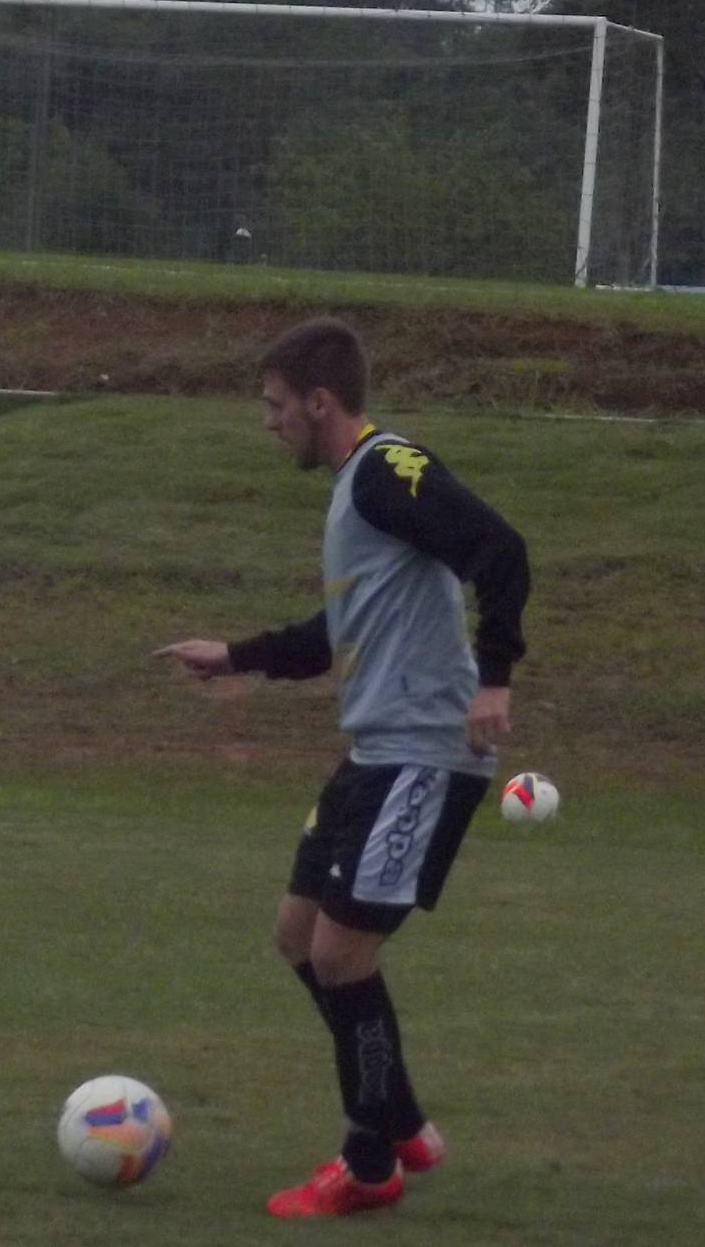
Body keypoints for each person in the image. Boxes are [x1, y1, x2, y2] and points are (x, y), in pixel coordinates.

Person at [157, 317, 529, 1218]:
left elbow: (501, 550)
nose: (269, 422)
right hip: (372, 754)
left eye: (276, 406)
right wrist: (235, 655)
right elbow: (337, 637)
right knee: (297, 935)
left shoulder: (388, 469)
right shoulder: (351, 493)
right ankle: (397, 1117)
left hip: (425, 755)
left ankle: (370, 1166)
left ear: (320, 402)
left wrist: (495, 678)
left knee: (341, 952)